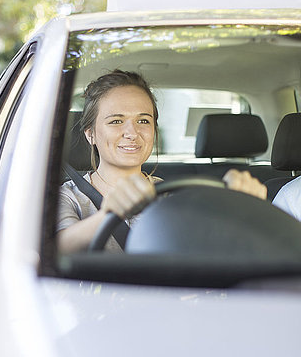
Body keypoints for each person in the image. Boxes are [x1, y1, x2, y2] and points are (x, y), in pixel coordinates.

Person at [57, 70, 267, 254]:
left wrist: (242, 208)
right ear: (90, 134)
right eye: (116, 121)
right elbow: (55, 247)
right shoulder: (67, 197)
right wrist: (109, 214)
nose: (132, 132)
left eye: (143, 121)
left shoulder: (173, 197)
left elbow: (209, 252)